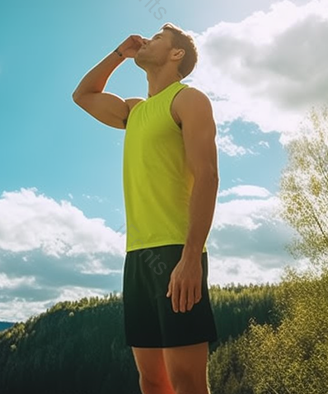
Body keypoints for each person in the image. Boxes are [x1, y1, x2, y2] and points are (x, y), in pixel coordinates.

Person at [72, 22, 219, 394]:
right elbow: (83, 94)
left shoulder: (188, 100)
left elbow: (207, 177)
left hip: (176, 251)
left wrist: (189, 258)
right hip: (137, 256)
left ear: (176, 54)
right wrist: (120, 53)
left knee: (186, 380)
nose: (146, 39)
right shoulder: (133, 111)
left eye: (156, 38)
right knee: (152, 381)